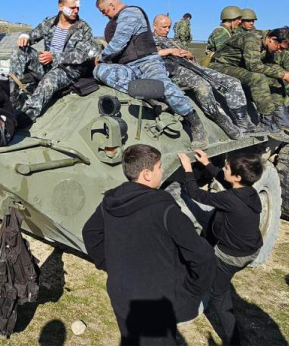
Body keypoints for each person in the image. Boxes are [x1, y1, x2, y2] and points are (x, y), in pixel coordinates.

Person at [83, 144, 216, 344]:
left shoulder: (110, 201)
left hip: (120, 291)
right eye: (159, 167)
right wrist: (192, 290)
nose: (162, 171)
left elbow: (90, 233)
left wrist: (109, 265)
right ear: (146, 174)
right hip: (156, 300)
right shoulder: (165, 210)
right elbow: (202, 255)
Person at [94, 0, 210, 149]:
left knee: (163, 85)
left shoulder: (130, 14)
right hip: (129, 67)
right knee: (99, 71)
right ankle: (149, 95)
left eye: (104, 11)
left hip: (147, 62)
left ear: (112, 5)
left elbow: (118, 43)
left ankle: (194, 122)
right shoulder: (117, 20)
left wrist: (101, 57)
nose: (104, 15)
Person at [177, 149, 264, 345]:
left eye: (226, 167)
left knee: (218, 294)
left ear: (237, 176)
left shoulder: (230, 200)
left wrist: (188, 170)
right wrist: (207, 163)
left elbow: (195, 193)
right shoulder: (249, 192)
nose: (223, 169)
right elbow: (226, 181)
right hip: (250, 247)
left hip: (232, 256)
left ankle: (234, 340)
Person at [152, 15, 257, 139]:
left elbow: (193, 59)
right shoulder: (147, 41)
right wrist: (168, 51)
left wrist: (189, 55)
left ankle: (243, 122)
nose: (167, 30)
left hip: (193, 67)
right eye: (164, 27)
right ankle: (221, 120)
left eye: (169, 27)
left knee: (232, 82)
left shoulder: (174, 41)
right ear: (154, 26)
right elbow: (142, 58)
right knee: (203, 87)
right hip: (174, 71)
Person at [10, 0, 97, 124]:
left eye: (77, 8)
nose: (76, 11)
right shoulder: (50, 23)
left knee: (50, 79)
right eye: (72, 8)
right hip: (46, 65)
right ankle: (12, 101)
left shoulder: (83, 28)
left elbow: (81, 55)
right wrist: (25, 36)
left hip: (68, 70)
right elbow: (33, 35)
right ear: (61, 7)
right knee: (19, 51)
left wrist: (54, 57)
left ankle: (27, 115)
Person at [210, 27, 289, 142]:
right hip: (220, 67)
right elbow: (253, 66)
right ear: (273, 39)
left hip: (239, 68)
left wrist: (288, 74)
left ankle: (280, 116)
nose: (280, 51)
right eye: (280, 48)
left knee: (275, 78)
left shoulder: (267, 44)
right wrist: (284, 75)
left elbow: (271, 64)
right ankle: (266, 122)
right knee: (257, 78)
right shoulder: (252, 39)